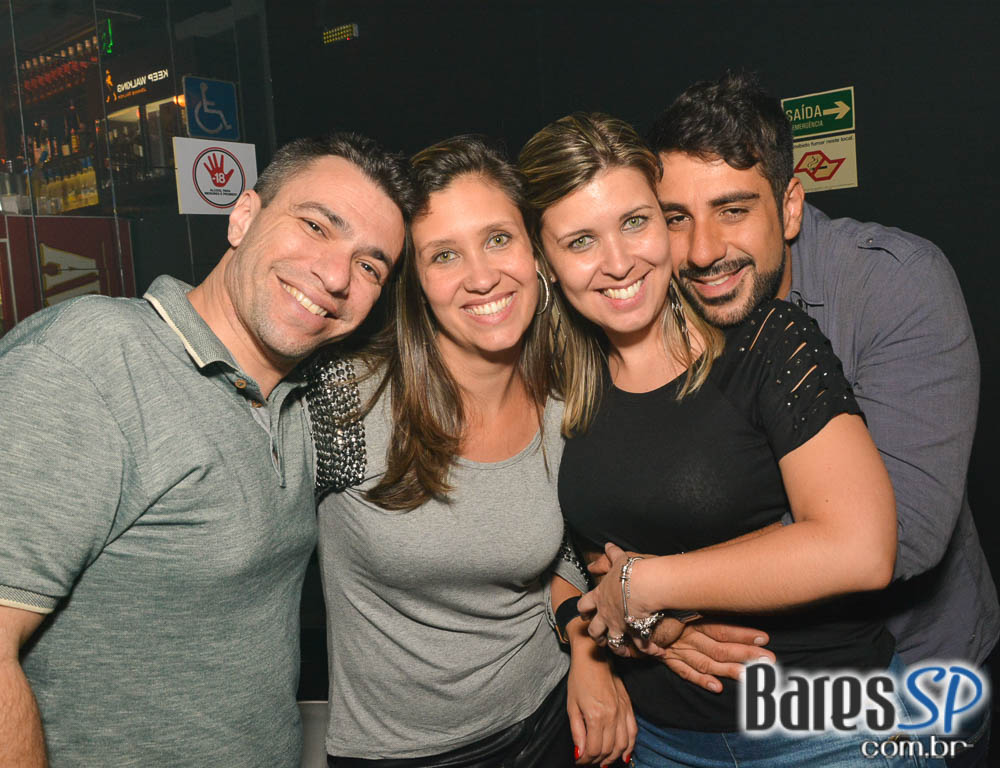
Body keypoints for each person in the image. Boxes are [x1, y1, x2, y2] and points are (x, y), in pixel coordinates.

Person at [518, 113, 939, 767]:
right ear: (545, 260)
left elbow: (860, 547)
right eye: (580, 241)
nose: (619, 262)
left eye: (636, 222)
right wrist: (598, 638)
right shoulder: (553, 385)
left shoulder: (768, 342)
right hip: (657, 737)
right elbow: (535, 554)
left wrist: (651, 587)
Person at [0, 133, 412, 768]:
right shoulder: (92, 359)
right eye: (315, 226)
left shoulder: (305, 401)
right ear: (243, 216)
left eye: (369, 267)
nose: (335, 276)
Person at [646, 71, 999, 766]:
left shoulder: (894, 282)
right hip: (728, 705)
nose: (702, 251)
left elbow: (901, 530)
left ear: (790, 207)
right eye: (676, 217)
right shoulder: (652, 306)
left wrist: (663, 588)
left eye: (733, 210)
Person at [306, 136, 635, 767]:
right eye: (445, 255)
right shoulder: (346, 401)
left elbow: (569, 542)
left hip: (548, 718)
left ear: (536, 251)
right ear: (415, 283)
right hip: (406, 754)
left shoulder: (566, 396)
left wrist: (586, 651)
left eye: (498, 239)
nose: (482, 277)